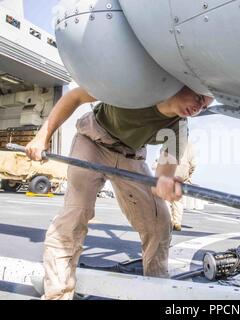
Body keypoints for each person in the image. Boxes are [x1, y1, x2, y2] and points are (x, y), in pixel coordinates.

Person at [25, 86, 213, 300]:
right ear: (180, 83)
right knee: (74, 217)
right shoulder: (134, 86)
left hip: (130, 156)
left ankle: (156, 290)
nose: (199, 107)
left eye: (205, 105)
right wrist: (42, 137)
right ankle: (58, 295)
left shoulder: (178, 128)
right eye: (198, 98)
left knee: (159, 222)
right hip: (93, 142)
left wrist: (166, 183)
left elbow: (164, 173)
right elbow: (74, 96)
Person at [167, 141, 197, 231]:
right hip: (182, 175)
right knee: (178, 201)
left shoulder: (169, 141)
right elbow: (194, 164)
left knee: (166, 200)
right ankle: (177, 223)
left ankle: (169, 221)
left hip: (169, 172)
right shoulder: (190, 145)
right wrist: (189, 175)